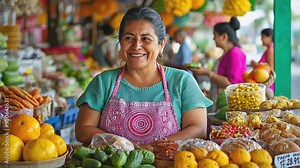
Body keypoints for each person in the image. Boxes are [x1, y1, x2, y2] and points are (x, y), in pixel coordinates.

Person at [75, 7, 213, 147]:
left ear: (161, 44)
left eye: (146, 39)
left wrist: (153, 149)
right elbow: (83, 130)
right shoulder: (104, 82)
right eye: (129, 38)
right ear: (120, 42)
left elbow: (198, 129)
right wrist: (124, 145)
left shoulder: (182, 82)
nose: (136, 46)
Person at [188, 17, 247, 112]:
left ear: (224, 36)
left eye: (215, 35)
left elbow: (231, 84)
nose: (213, 38)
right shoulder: (227, 53)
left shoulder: (234, 53)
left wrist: (207, 73)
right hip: (220, 102)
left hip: (227, 106)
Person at [251, 28, 274, 98]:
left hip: (268, 85)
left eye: (263, 37)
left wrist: (255, 65)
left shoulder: (270, 50)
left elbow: (270, 69)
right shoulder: (269, 49)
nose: (261, 39)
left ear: (270, 37)